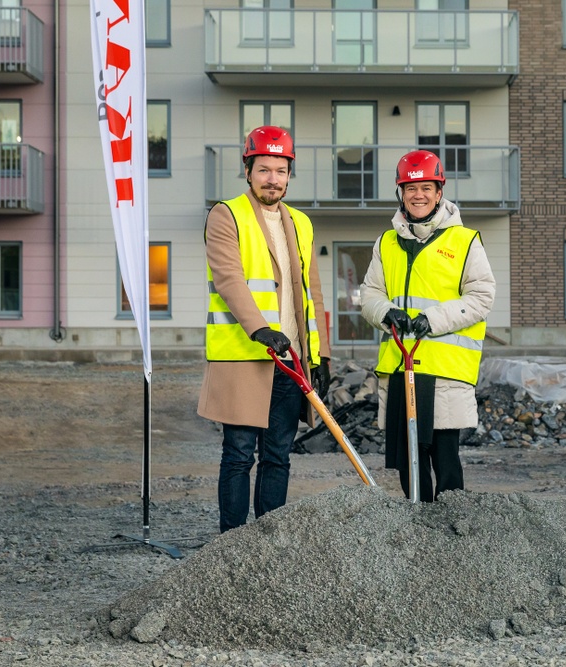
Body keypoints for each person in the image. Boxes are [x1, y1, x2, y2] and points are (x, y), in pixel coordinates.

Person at [198, 125, 332, 533]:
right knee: (238, 454)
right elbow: (229, 279)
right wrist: (259, 328)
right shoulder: (226, 214)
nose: (273, 178)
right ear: (248, 170)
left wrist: (321, 354)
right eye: (264, 169)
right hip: (244, 356)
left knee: (278, 456)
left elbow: (313, 293)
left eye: (280, 170)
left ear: (290, 173)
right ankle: (232, 543)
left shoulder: (302, 224)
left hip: (291, 362)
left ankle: (267, 546)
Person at [360, 149, 495, 502]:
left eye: (426, 188)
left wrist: (430, 320)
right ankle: (419, 528)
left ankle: (451, 531)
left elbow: (481, 298)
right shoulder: (386, 242)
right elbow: (370, 292)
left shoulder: (464, 241)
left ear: (439, 192)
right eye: (410, 188)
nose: (418, 195)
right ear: (400, 192)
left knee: (445, 458)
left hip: (444, 372)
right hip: (401, 366)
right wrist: (386, 312)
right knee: (408, 461)